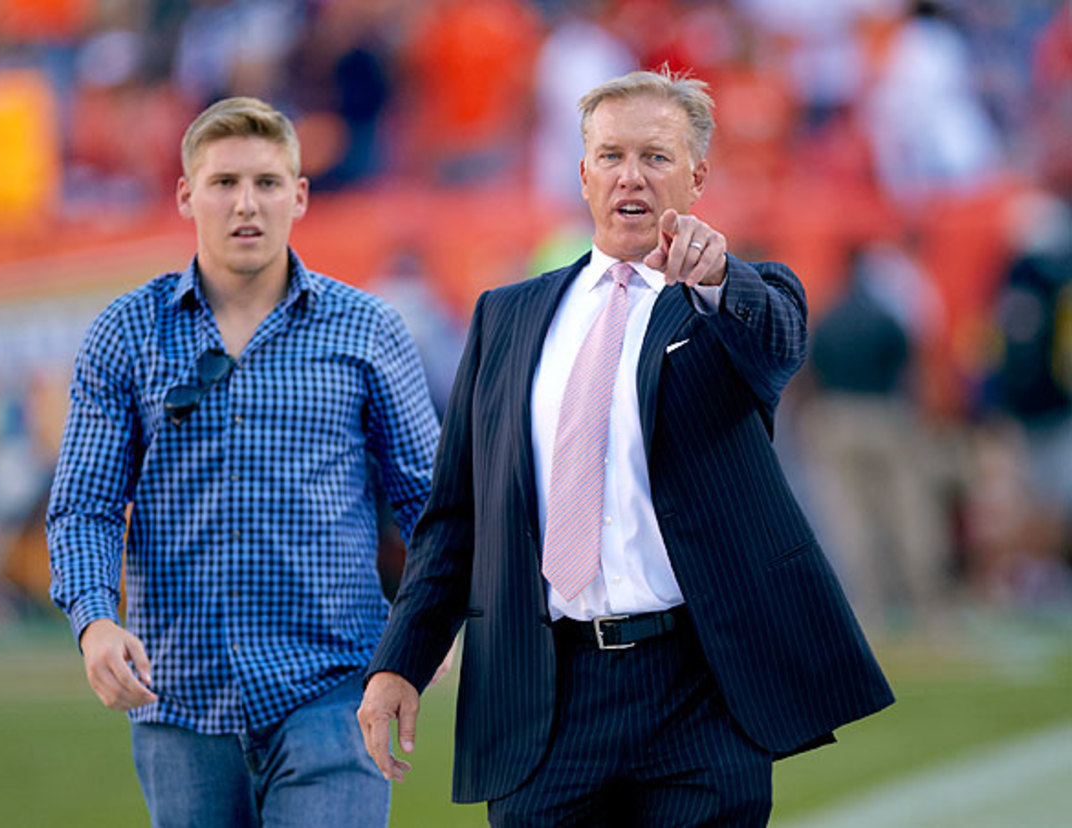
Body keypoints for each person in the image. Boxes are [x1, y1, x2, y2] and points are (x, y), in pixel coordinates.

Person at [358, 69, 893, 827]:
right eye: (610, 156)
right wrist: (400, 662)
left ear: (697, 175)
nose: (630, 177)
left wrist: (716, 278)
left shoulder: (728, 304)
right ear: (583, 174)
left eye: (656, 157)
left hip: (697, 692)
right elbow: (456, 520)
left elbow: (778, 343)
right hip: (544, 698)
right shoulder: (505, 318)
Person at [47, 97, 439, 828]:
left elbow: (430, 500)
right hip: (179, 694)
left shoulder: (368, 329)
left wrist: (438, 620)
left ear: (300, 195)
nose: (246, 203)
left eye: (266, 182)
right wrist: (95, 619)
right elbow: (86, 505)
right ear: (186, 194)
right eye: (225, 182)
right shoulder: (127, 333)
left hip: (333, 686)